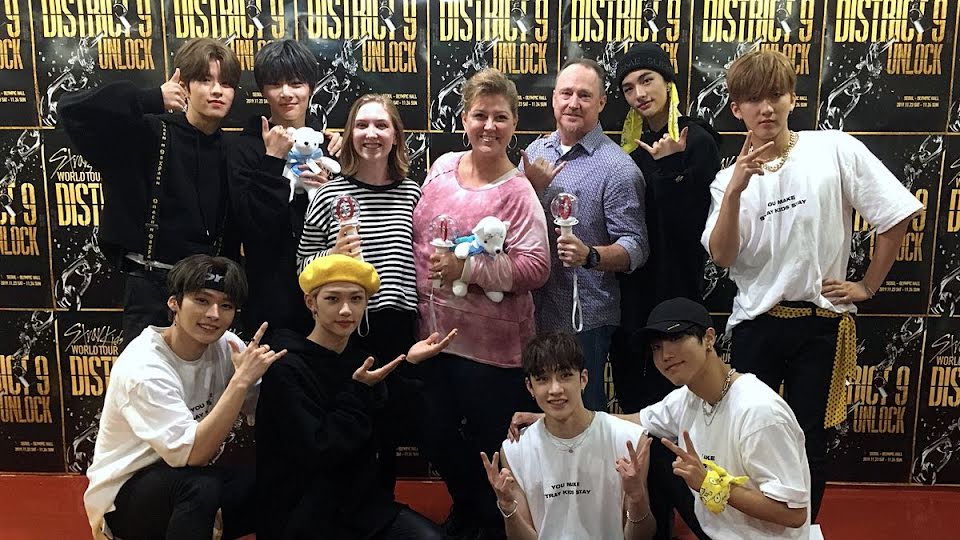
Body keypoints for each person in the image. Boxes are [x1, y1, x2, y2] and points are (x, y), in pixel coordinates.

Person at [703, 50, 923, 520]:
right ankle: (751, 529)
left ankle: (802, 530)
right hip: (756, 324)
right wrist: (737, 189)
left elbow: (897, 213)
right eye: (754, 99)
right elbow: (721, 256)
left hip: (822, 323)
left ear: (792, 98)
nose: (766, 108)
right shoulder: (725, 181)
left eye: (775, 95)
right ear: (736, 108)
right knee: (747, 436)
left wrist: (867, 285)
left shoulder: (833, 149)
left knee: (809, 440)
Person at [510, 298, 811, 540]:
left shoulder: (758, 411)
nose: (665, 355)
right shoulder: (688, 398)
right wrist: (555, 414)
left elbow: (794, 513)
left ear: (709, 338)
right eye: (656, 347)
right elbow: (629, 421)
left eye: (676, 338)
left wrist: (710, 484)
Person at [412, 67, 550, 539]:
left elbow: (537, 267)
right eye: (479, 115)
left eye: (500, 117)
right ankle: (471, 508)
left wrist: (468, 270)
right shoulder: (442, 167)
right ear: (464, 119)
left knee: (492, 446)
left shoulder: (519, 191)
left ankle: (491, 522)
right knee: (434, 434)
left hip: (493, 353)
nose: (489, 126)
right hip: (433, 340)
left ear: (514, 123)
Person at [83, 255, 284, 540]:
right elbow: (193, 455)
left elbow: (259, 409)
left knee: (278, 481)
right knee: (199, 487)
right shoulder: (143, 367)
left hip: (187, 476)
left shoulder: (228, 346)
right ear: (174, 303)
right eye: (202, 300)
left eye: (226, 305)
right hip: (124, 501)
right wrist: (240, 382)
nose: (214, 314)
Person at [255, 254, 455, 540]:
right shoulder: (285, 367)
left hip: (364, 508)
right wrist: (358, 392)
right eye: (333, 299)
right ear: (311, 303)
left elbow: (394, 429)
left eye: (356, 299)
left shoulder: (362, 361)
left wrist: (411, 365)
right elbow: (319, 448)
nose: (346, 310)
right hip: (302, 513)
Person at [60, 38, 242, 348]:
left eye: (226, 83)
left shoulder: (234, 151)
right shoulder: (147, 132)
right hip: (152, 289)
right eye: (204, 80)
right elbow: (72, 110)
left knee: (210, 378)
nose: (216, 91)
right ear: (183, 84)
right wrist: (149, 99)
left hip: (211, 292)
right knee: (145, 377)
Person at [612, 42, 721, 540]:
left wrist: (673, 170)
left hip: (677, 301)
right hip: (632, 304)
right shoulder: (627, 150)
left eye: (647, 80)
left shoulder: (697, 139)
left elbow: (698, 231)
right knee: (640, 423)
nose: (638, 93)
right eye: (628, 87)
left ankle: (707, 525)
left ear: (668, 83)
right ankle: (652, 525)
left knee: (681, 426)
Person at [296, 94, 422, 489]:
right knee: (346, 433)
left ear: (396, 135)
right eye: (362, 125)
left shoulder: (412, 193)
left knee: (389, 433)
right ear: (350, 134)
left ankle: (381, 510)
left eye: (382, 125)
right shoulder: (329, 195)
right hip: (345, 331)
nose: (371, 134)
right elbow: (301, 266)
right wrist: (331, 255)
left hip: (399, 329)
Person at [520, 58, 648, 411]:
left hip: (584, 319)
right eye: (566, 93)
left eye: (584, 95)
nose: (573, 103)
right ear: (554, 99)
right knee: (537, 415)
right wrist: (528, 189)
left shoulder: (618, 168)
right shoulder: (534, 153)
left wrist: (590, 255)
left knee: (582, 416)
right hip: (531, 312)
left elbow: (636, 247)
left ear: (601, 103)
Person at [485, 332, 655, 540]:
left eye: (565, 375)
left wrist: (637, 499)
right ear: (530, 386)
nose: (555, 389)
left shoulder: (629, 440)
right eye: (543, 379)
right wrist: (507, 508)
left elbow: (642, 536)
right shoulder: (515, 450)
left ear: (583, 379)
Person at [229, 39, 339, 336]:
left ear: (311, 88)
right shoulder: (244, 149)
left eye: (296, 83)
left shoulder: (329, 147)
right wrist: (272, 160)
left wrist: (328, 191)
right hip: (270, 296)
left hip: (328, 290)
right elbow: (251, 225)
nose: (286, 93)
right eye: (275, 84)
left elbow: (350, 221)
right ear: (263, 90)